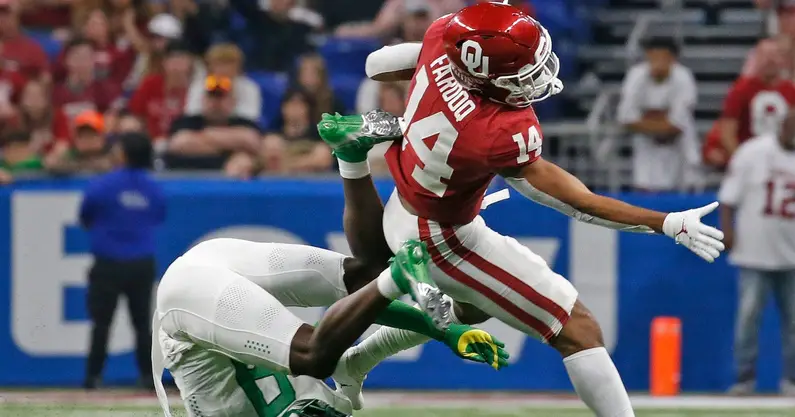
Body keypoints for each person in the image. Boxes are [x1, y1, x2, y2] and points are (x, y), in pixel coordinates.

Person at [317, 3, 726, 416]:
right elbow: (579, 203)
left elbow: (376, 65)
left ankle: (358, 360)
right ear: (485, 76)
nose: (535, 78)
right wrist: (665, 222)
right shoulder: (496, 131)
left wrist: (425, 68)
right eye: (522, 75)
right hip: (440, 236)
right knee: (576, 327)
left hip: (408, 206)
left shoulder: (445, 37)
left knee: (475, 306)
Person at [153, 238, 505, 417]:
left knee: (315, 352)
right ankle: (352, 161)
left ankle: (395, 275)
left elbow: (323, 345)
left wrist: (444, 330)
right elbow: (349, 344)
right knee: (359, 280)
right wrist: (447, 329)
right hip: (209, 274)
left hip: (192, 296)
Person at [80, 131, 166, 389]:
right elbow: (159, 214)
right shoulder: (153, 188)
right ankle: (149, 378)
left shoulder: (103, 185)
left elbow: (85, 214)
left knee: (101, 324)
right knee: (142, 324)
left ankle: (93, 377)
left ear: (123, 154)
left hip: (108, 262)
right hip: (141, 261)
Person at [718, 110, 795, 396]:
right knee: (748, 317)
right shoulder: (753, 153)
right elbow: (728, 198)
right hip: (754, 251)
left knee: (794, 322)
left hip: (791, 255)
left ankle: (792, 381)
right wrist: (729, 231)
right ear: (782, 125)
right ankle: (744, 378)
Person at [616, 37, 700, 191]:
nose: (657, 63)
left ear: (673, 59)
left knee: (683, 190)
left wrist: (646, 119)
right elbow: (626, 118)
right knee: (644, 189)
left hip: (679, 146)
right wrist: (662, 119)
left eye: (663, 58)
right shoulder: (636, 75)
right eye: (653, 58)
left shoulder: (683, 77)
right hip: (646, 147)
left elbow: (676, 125)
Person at [704, 38, 795, 169]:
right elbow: (727, 132)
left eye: (774, 55)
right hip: (749, 160)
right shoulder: (741, 89)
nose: (770, 60)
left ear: (782, 59)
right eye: (765, 55)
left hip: (782, 163)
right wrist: (743, 160)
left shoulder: (790, 91)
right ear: (756, 58)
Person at [165, 75, 261, 177]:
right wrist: (233, 147)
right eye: (212, 96)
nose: (216, 103)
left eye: (222, 97)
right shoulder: (187, 122)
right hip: (188, 179)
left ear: (233, 101)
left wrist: (203, 137)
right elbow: (180, 143)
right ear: (203, 100)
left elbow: (252, 141)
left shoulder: (244, 123)